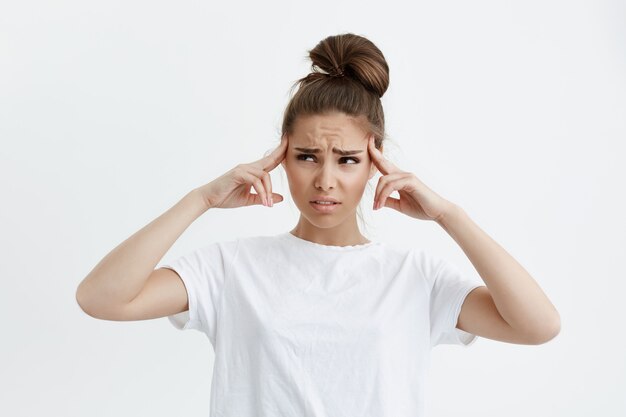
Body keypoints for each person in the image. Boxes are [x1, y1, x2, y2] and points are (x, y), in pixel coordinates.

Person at [76, 33, 561, 417]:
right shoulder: (230, 268)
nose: (325, 180)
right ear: (281, 155)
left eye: (347, 160)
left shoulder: (414, 277)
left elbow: (538, 326)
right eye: (307, 156)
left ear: (376, 162)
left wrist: (448, 216)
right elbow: (101, 298)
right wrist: (199, 199)